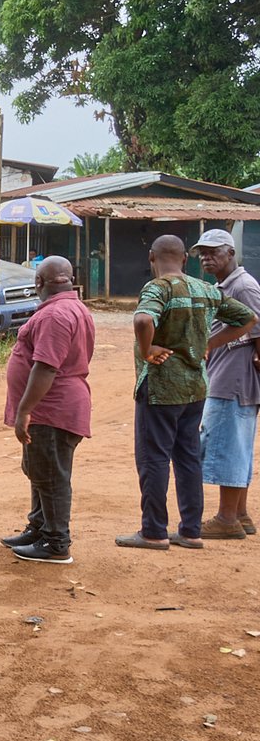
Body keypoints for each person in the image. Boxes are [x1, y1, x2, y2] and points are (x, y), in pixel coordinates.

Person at [118, 234, 257, 550]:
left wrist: (147, 348)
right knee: (188, 458)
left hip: (160, 388)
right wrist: (207, 345)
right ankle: (191, 531)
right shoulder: (206, 289)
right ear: (185, 259)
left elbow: (142, 319)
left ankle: (153, 531)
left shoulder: (159, 288)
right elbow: (248, 319)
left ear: (152, 258)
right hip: (196, 387)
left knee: (153, 458)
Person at [0, 257, 96, 564]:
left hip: (52, 408)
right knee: (39, 470)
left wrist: (24, 410)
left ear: (39, 283)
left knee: (52, 475)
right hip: (54, 407)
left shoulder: (56, 314)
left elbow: (45, 367)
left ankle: (56, 542)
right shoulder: (74, 308)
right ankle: (39, 528)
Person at [192, 230, 260, 539]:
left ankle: (226, 518)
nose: (206, 258)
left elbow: (258, 331)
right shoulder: (225, 286)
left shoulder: (242, 287)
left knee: (227, 446)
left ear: (231, 253)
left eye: (213, 252)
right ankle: (240, 514)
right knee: (238, 445)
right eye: (202, 253)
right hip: (231, 375)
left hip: (234, 378)